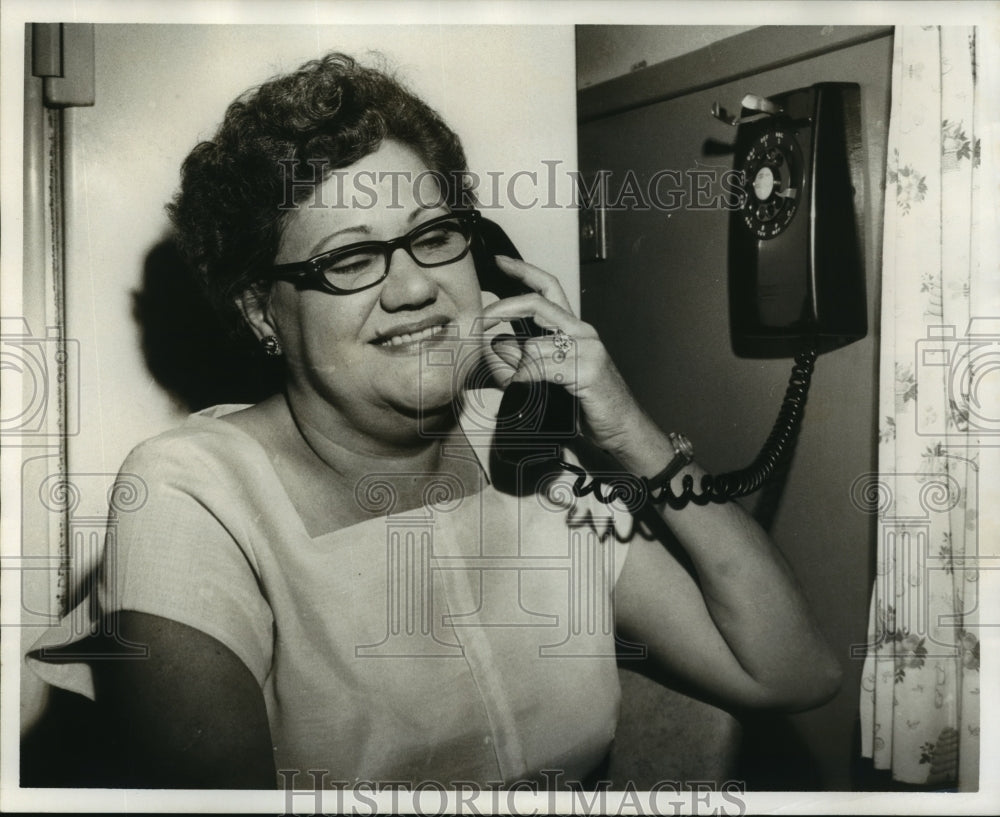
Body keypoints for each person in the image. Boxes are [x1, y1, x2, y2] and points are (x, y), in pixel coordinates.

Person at [27, 52, 840, 790]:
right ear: (260, 312)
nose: (414, 287)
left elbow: (791, 670)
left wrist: (629, 429)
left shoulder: (523, 447)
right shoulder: (192, 493)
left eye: (433, 236)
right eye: (349, 258)